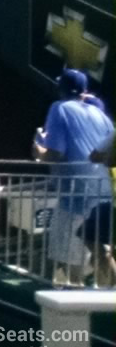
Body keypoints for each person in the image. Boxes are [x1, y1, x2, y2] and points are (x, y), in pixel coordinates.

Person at [36, 69, 116, 286]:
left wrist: (37, 150)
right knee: (101, 251)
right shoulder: (101, 115)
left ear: (61, 89)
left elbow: (54, 154)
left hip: (75, 194)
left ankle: (77, 298)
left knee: (71, 260)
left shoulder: (59, 108)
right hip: (103, 191)